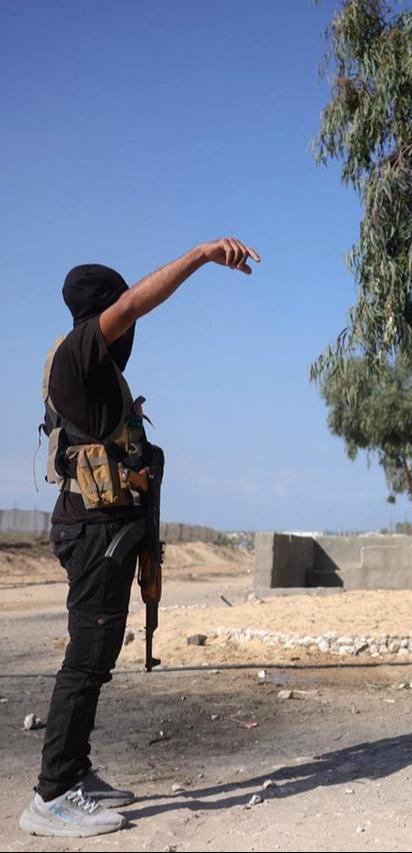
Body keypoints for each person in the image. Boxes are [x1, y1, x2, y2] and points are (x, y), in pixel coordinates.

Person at [21, 239, 261, 838]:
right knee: (85, 658)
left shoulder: (93, 368)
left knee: (96, 657)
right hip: (93, 531)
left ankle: (74, 774)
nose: (128, 326)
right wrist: (202, 255)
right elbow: (129, 307)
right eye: (119, 312)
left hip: (109, 531)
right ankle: (51, 795)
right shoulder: (79, 352)